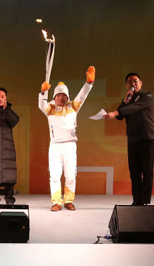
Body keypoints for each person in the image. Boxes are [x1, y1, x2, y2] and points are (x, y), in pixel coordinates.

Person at [39, 66, 95, 211]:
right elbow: (41, 104)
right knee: (55, 175)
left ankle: (68, 201)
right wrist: (43, 92)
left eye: (63, 95)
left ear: (67, 97)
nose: (60, 98)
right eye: (58, 95)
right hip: (55, 146)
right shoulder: (50, 108)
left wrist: (89, 83)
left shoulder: (73, 107)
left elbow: (82, 96)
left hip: (70, 145)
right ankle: (56, 202)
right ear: (54, 97)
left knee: (70, 175)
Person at [104, 73, 154, 206]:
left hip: (147, 138)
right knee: (134, 172)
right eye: (130, 82)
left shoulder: (147, 96)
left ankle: (145, 201)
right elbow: (120, 116)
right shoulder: (128, 100)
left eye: (135, 81)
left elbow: (131, 109)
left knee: (147, 171)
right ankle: (137, 201)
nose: (133, 84)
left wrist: (116, 112)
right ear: (127, 85)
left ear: (141, 83)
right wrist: (124, 101)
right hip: (133, 139)